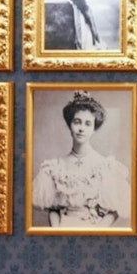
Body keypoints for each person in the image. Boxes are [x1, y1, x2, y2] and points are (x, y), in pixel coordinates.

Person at [31, 91, 131, 228]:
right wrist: (57, 231)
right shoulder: (54, 167)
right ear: (70, 125)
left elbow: (115, 211)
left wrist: (97, 231)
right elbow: (53, 209)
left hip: (94, 230)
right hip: (63, 230)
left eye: (88, 124)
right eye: (77, 122)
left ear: (94, 128)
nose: (81, 129)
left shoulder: (105, 167)